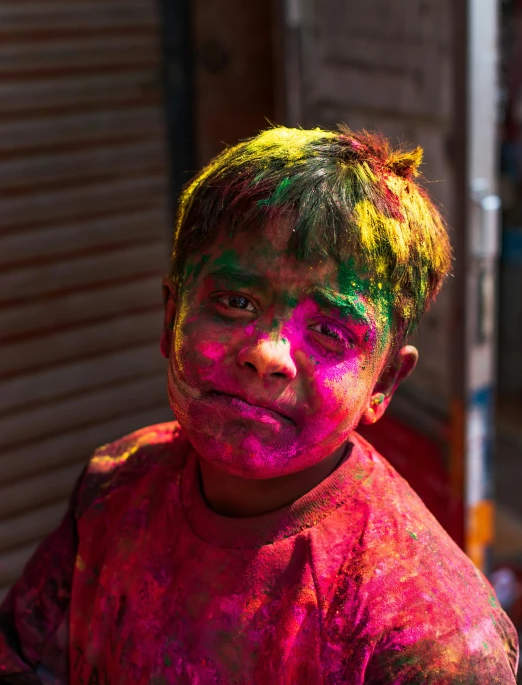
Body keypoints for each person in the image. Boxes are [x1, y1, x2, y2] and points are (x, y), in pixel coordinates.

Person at [0, 126, 518, 684]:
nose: (268, 354)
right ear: (171, 315)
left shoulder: (431, 638)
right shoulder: (114, 486)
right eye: (234, 301)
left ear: (385, 383)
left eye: (329, 332)